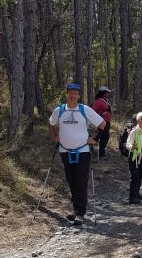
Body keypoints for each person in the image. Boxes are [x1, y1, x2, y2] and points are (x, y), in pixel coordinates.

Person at [48, 83, 106, 225]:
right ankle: (76, 209)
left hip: (83, 151)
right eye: (70, 93)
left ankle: (80, 212)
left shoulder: (84, 109)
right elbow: (51, 123)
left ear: (79, 95)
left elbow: (102, 124)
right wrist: (55, 136)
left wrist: (94, 140)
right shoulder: (59, 110)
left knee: (80, 181)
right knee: (71, 180)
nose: (73, 95)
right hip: (65, 151)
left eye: (76, 93)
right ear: (66, 94)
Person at [126, 112, 142, 204]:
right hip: (134, 157)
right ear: (137, 120)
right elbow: (128, 144)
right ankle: (132, 198)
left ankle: (136, 193)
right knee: (135, 177)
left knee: (139, 177)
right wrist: (131, 146)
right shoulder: (134, 131)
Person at [92, 86, 111, 157]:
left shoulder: (106, 100)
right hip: (101, 122)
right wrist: (101, 114)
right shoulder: (98, 102)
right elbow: (92, 111)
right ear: (103, 93)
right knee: (98, 137)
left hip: (107, 122)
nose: (108, 93)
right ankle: (92, 150)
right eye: (107, 92)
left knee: (105, 137)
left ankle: (101, 152)